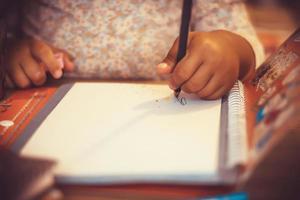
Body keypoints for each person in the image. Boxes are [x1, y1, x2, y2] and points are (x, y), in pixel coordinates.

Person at [4, 0, 264, 100]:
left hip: (169, 115)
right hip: (38, 110)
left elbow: (249, 47)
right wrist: (8, 49)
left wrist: (232, 49)